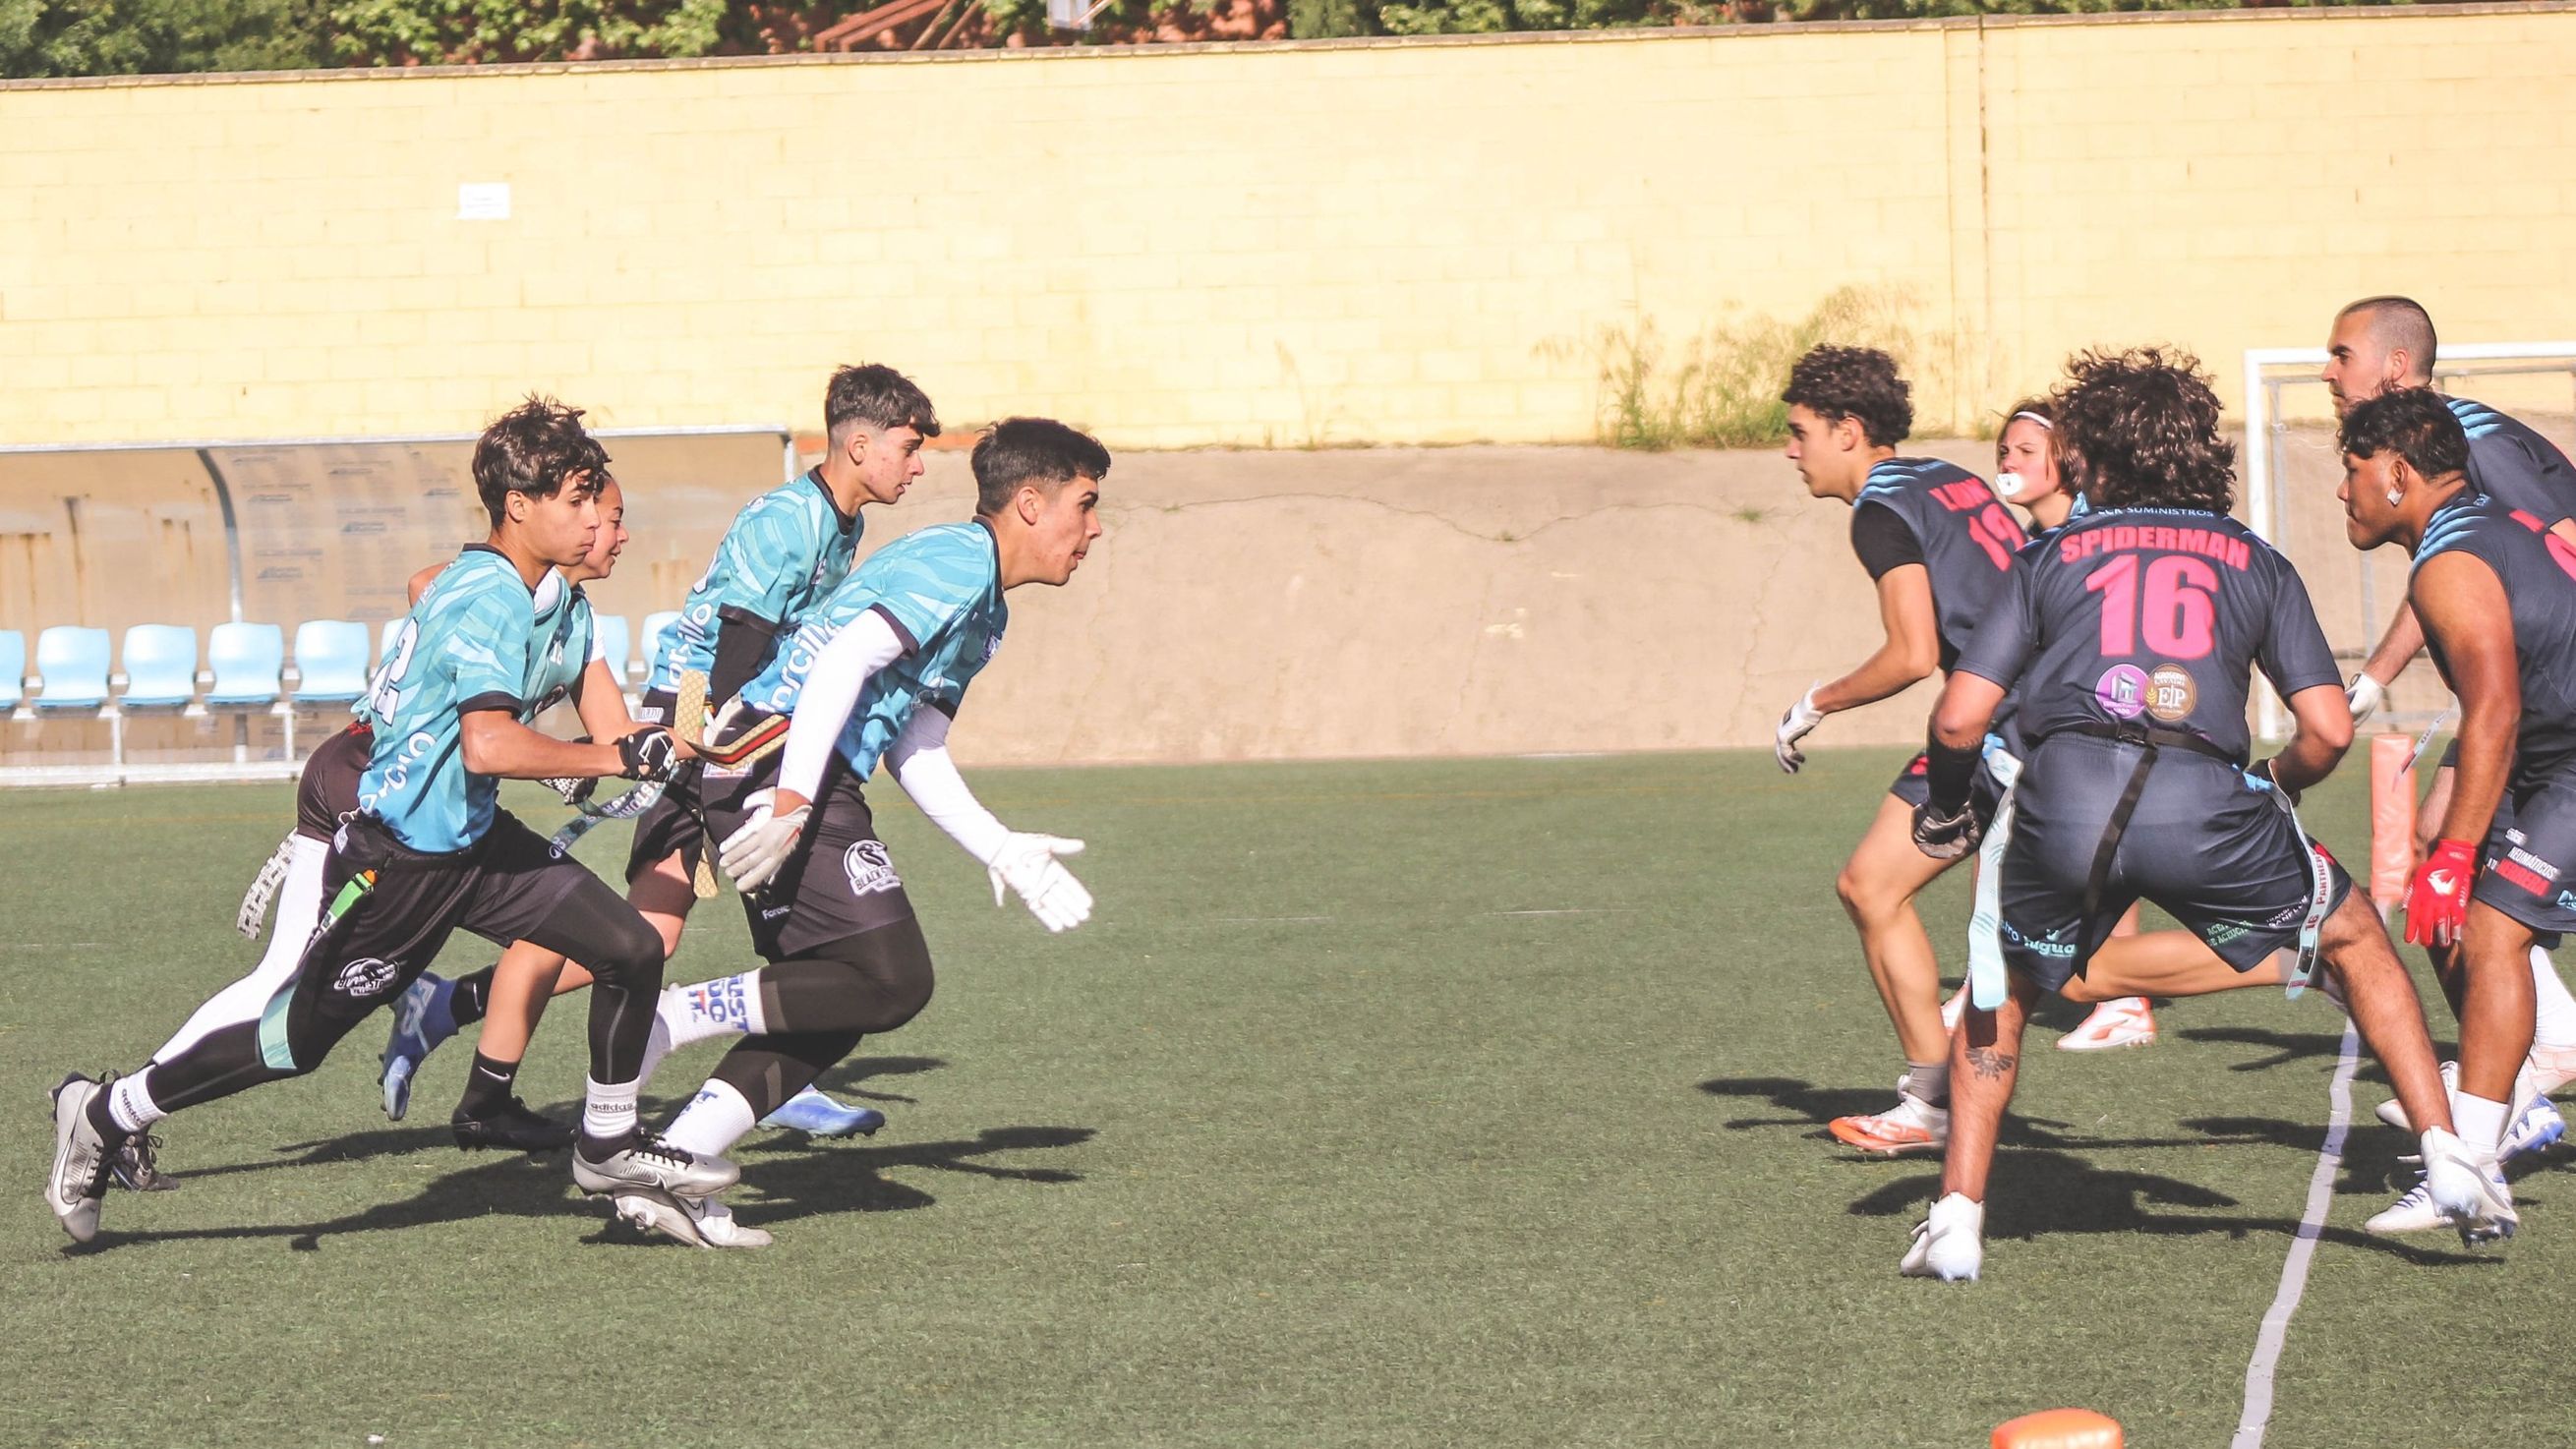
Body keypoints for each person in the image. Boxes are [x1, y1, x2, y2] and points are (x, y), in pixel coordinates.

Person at [46, 398, 730, 1246]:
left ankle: (609, 1144)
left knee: (629, 946)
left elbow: (582, 734)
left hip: (474, 842)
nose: (601, 523)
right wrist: (611, 760)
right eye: (583, 501)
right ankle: (109, 1111)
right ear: (519, 505)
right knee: (289, 1042)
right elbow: (487, 744)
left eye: (602, 503)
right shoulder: (488, 595)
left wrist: (671, 748)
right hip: (401, 859)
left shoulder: (554, 603)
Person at [1899, 348, 2499, 1282]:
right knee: (2357, 943)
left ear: (2093, 458)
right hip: (2206, 800)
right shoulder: (2257, 560)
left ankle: (1959, 1218)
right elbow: (2329, 730)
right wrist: (2276, 783)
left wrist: (1944, 808)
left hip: (2063, 799)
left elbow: (1959, 716)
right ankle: (2450, 1158)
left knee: (2001, 990)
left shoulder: (2050, 555)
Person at [376, 364, 940, 1140]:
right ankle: (476, 1050)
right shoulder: (790, 520)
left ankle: (456, 1026)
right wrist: (728, 762)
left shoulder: (840, 522)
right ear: (860, 444)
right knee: (662, 926)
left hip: (728, 728)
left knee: (657, 930)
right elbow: (737, 647)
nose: (917, 466)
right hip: (708, 725)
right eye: (909, 449)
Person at [614, 417, 1107, 1248]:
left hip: (793, 774)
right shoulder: (957, 560)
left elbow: (915, 744)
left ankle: (671, 1162)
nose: (1094, 528)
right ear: (1030, 503)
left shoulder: (986, 611)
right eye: (1086, 505)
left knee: (834, 1005)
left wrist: (1000, 846)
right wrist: (794, 803)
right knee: (894, 979)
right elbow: (842, 661)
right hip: (777, 762)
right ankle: (672, 1017)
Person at [2321, 296, 2576, 1138]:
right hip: (2534, 705)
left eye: (2343, 354)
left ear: (2396, 368)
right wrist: (2378, 675)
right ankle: (2524, 1063)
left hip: (2547, 709)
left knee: (2462, 876)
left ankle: (2522, 1073)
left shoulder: (2471, 444)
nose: (2328, 372)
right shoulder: (2442, 479)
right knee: (2440, 860)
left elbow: (2527, 557)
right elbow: (2451, 566)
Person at [1773, 346, 2024, 1156]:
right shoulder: (1947, 476)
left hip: (2012, 726)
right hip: (2030, 708)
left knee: (2074, 964)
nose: (1790, 450)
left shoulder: (1878, 511)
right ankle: (1931, 1097)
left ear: (1848, 432)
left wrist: (1816, 700)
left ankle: (2317, 960)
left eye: (1799, 431)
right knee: (1870, 885)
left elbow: (1913, 654)